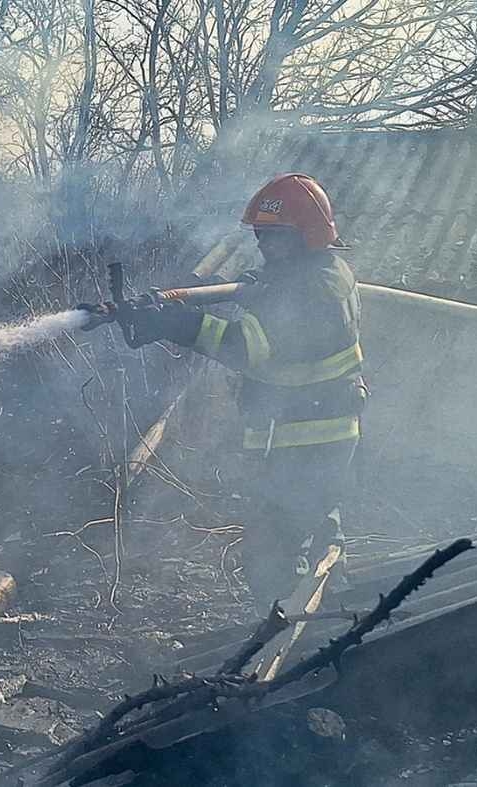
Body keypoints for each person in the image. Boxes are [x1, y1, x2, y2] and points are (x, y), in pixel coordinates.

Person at [128, 173, 365, 604]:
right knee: (317, 535)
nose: (264, 246)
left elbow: (245, 347)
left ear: (306, 236)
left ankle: (287, 631)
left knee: (271, 555)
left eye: (275, 237)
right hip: (314, 438)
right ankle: (331, 618)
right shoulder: (322, 272)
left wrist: (176, 323)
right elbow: (278, 305)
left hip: (305, 439)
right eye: (260, 235)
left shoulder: (312, 290)